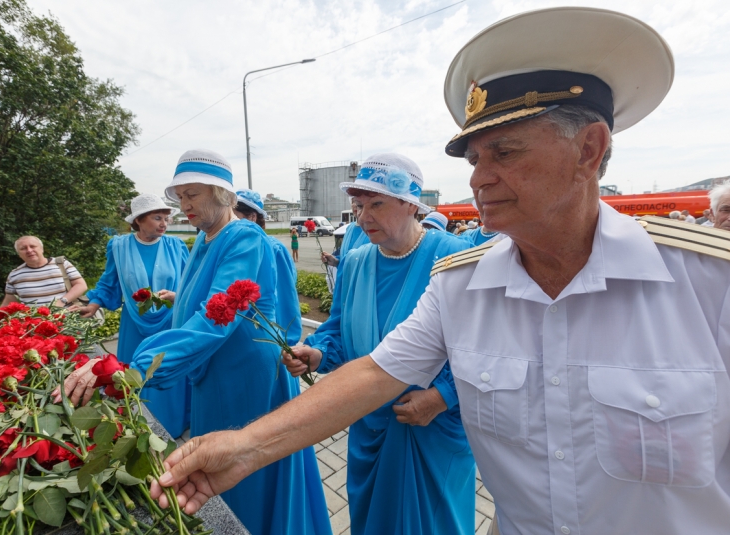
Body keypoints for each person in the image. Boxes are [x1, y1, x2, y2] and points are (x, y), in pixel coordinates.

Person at [145, 8, 730, 535]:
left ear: (589, 149)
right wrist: (244, 449)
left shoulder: (709, 284)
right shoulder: (464, 284)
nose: (478, 180)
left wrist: (439, 399)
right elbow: (375, 372)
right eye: (475, 159)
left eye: (506, 153)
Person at [56, 149, 331, 535]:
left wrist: (137, 365)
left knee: (241, 467)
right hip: (211, 368)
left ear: (222, 195)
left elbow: (216, 317)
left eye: (193, 195)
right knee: (212, 458)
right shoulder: (204, 237)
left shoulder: (244, 239)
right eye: (180, 196)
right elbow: (193, 307)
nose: (183, 205)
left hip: (242, 374)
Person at [284, 153, 477, 534]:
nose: (362, 217)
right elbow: (338, 330)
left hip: (430, 428)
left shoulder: (453, 258)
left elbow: (481, 347)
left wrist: (441, 397)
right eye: (358, 206)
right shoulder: (355, 262)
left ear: (410, 205)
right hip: (368, 422)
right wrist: (317, 353)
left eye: (376, 204)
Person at [70, 193, 190, 437]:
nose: (164, 224)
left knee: (168, 369)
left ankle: (173, 425)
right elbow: (109, 282)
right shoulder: (119, 246)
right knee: (134, 375)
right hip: (133, 325)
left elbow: (191, 282)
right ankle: (138, 427)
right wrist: (94, 304)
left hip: (169, 322)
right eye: (157, 218)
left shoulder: (175, 246)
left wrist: (177, 296)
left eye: (166, 218)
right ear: (139, 220)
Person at [234, 188, 302, 345]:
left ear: (252, 217)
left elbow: (286, 295)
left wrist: (285, 338)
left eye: (234, 217)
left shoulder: (272, 248)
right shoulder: (236, 247)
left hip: (268, 333)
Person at [1, 236, 88, 307]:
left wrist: (62, 301)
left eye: (32, 246)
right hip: (33, 323)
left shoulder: (61, 264)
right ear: (19, 254)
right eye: (23, 248)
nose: (29, 250)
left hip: (65, 318)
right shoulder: (14, 274)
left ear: (42, 249)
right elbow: (9, 302)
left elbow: (81, 285)